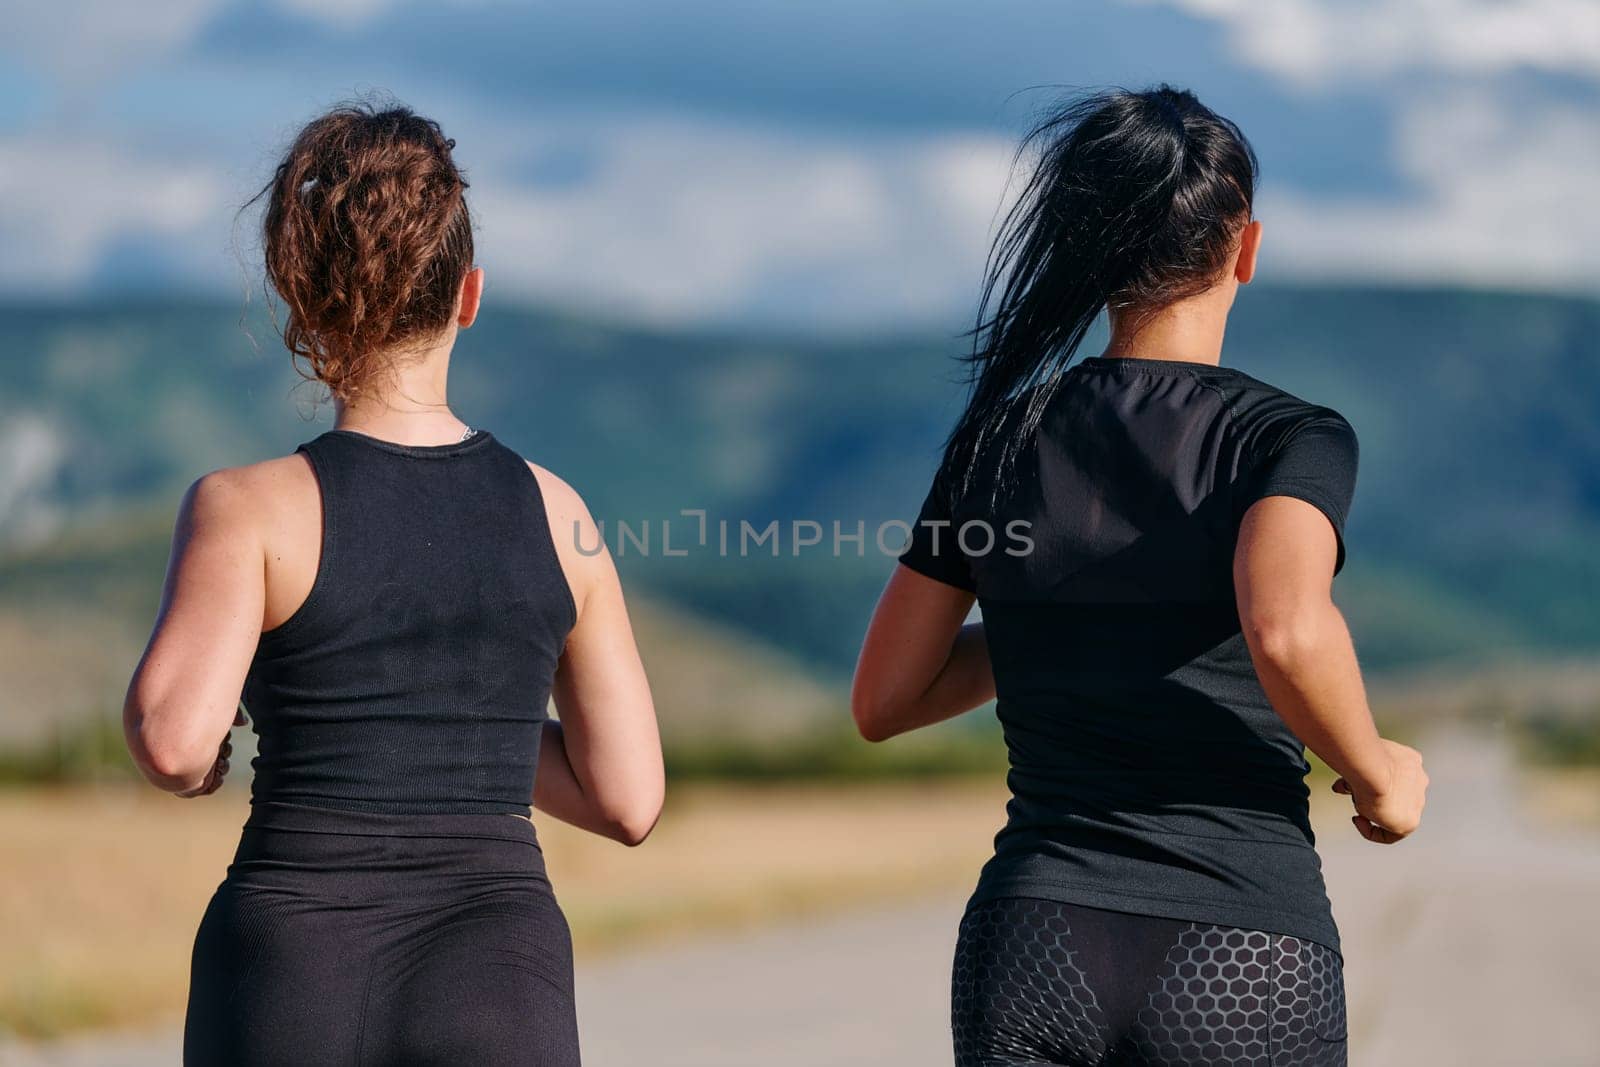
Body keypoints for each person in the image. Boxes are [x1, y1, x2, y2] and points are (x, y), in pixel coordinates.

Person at [852, 86, 1427, 1067]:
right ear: (1243, 247)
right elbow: (1284, 625)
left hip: (1031, 939)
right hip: (1241, 943)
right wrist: (1380, 773)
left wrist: (1056, 624)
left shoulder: (999, 432)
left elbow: (885, 697)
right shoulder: (1287, 437)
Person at [123, 101, 664, 1067]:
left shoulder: (247, 508)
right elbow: (627, 799)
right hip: (500, 967)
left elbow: (173, 744)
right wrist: (471, 732)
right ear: (470, 296)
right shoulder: (561, 515)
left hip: (290, 962)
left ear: (301, 298)